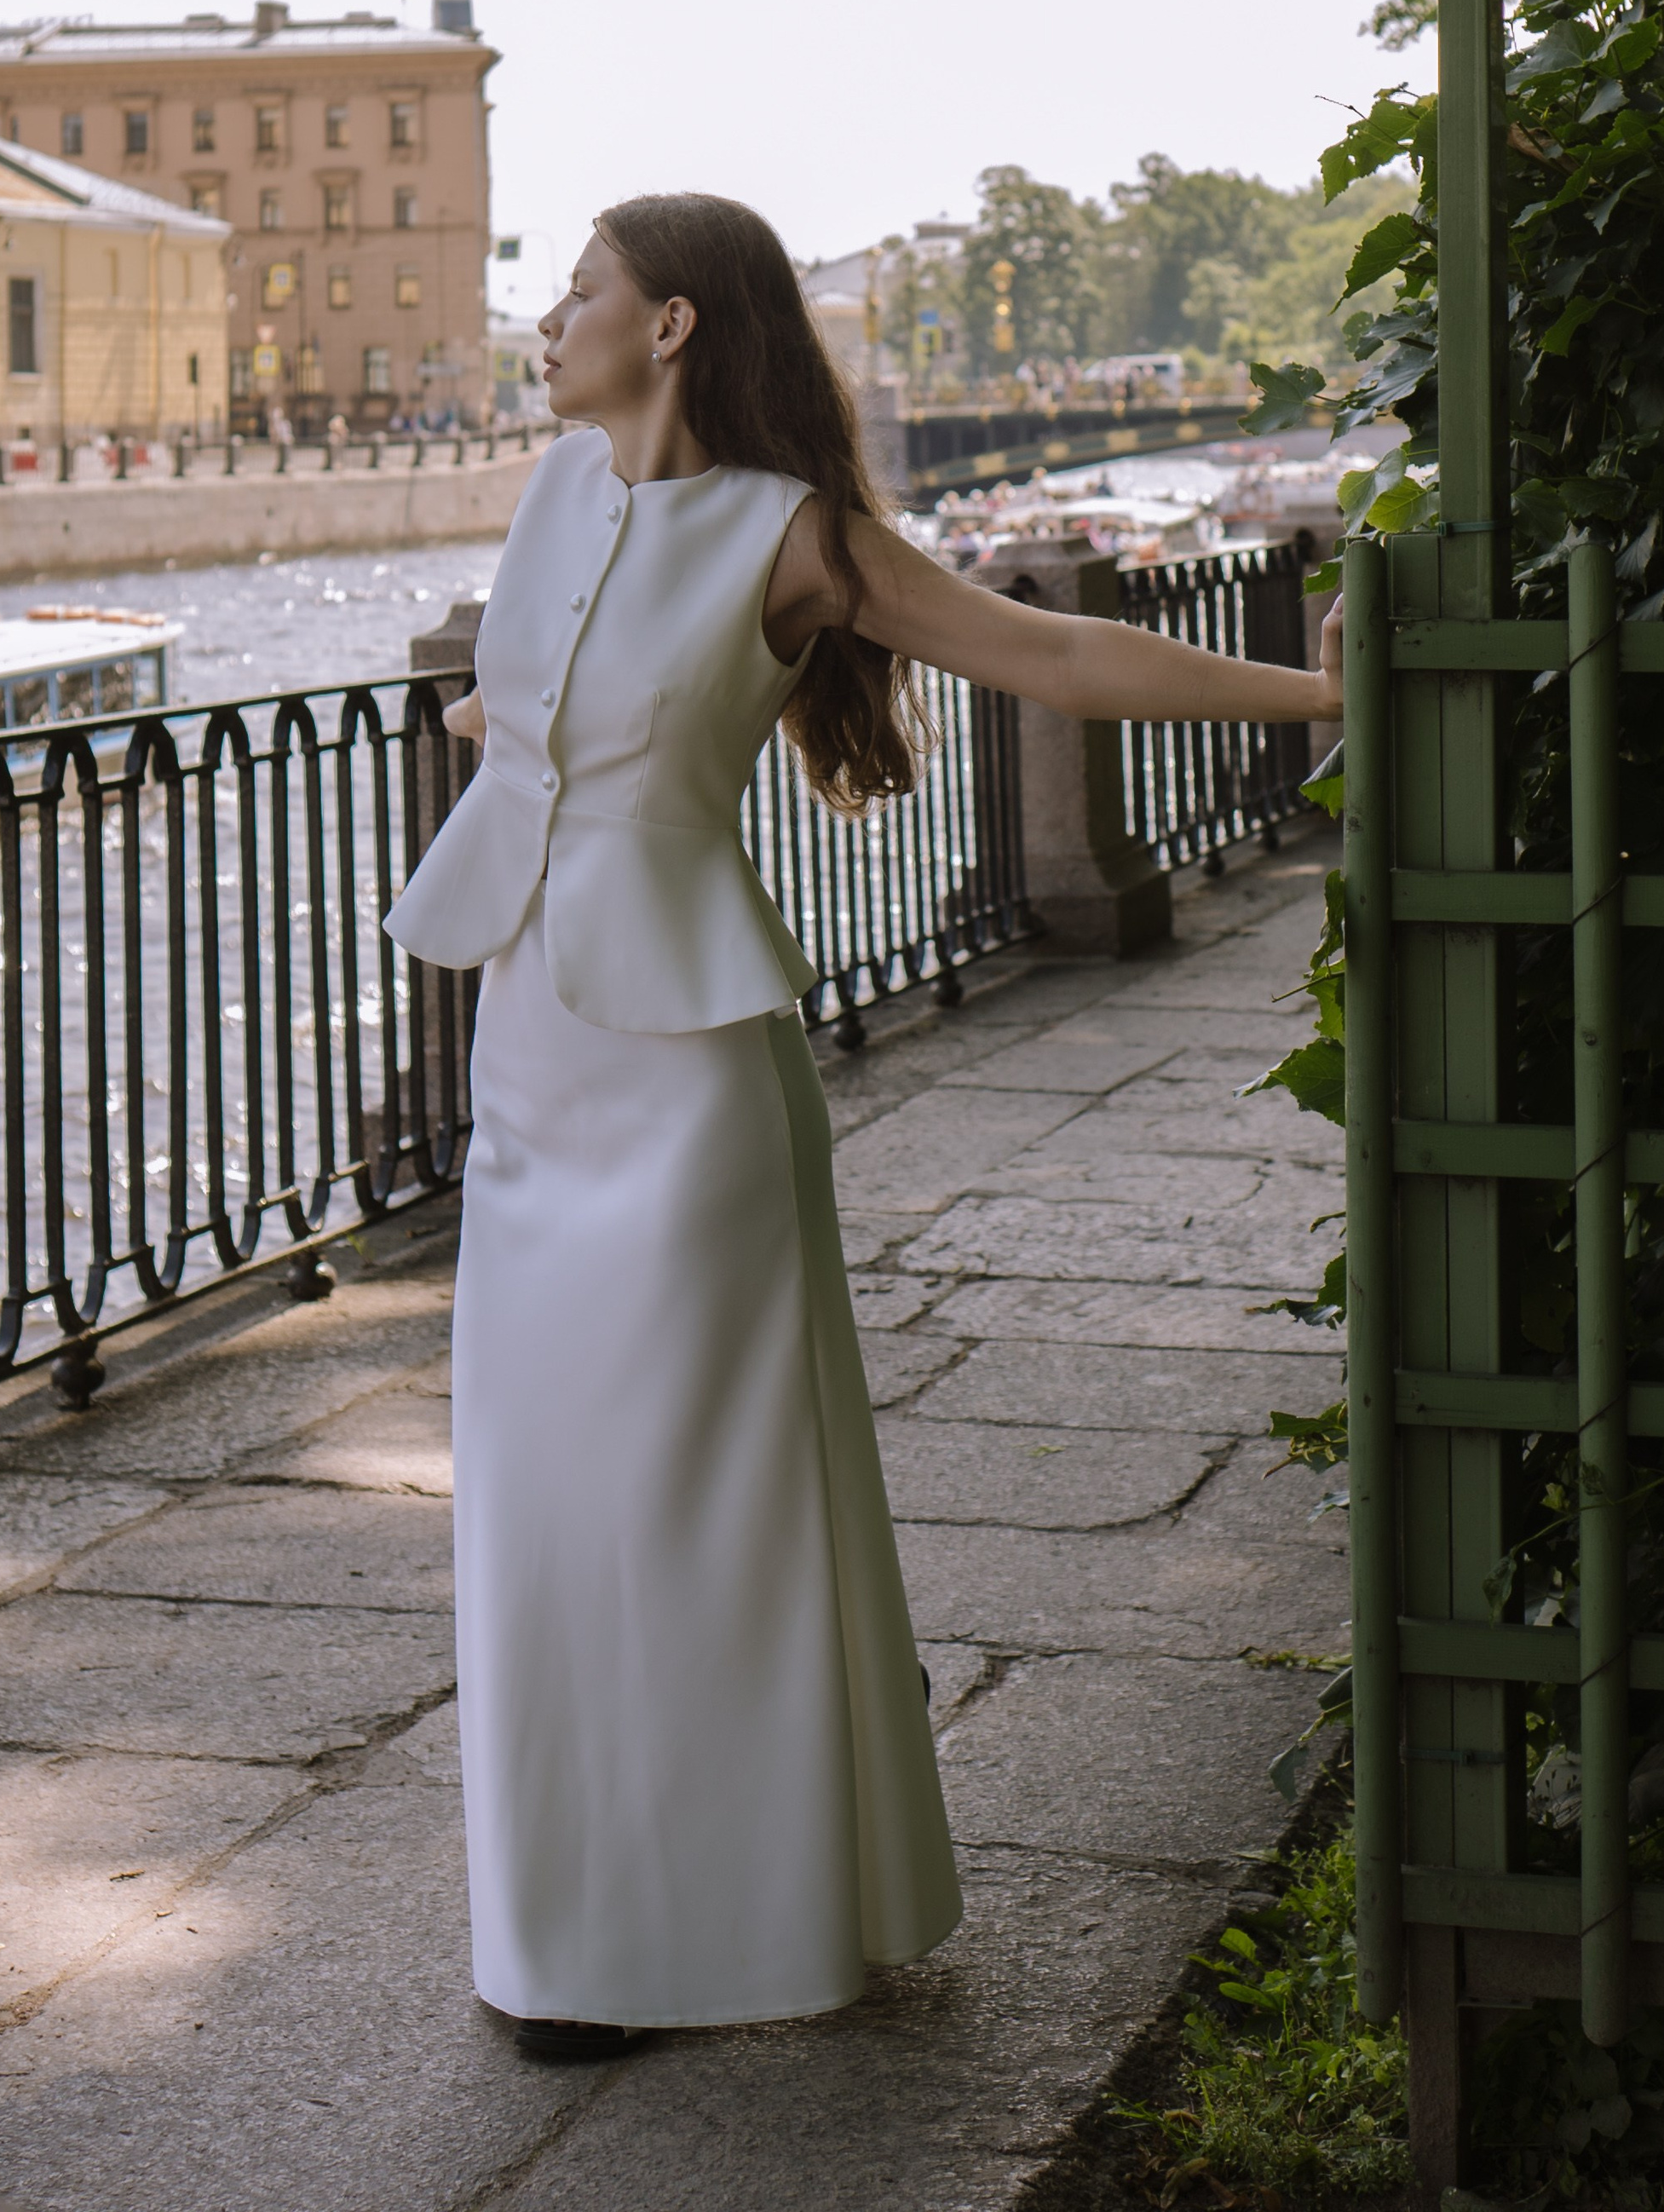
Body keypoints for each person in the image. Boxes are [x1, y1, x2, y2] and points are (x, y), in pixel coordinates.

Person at [384, 193, 1345, 2063]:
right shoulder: (546, 496)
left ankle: (710, 1940)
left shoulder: (792, 537)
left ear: (667, 325)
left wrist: (1315, 691)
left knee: (700, 1509)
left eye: (576, 290)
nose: (549, 318)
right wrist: (499, 735)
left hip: (683, 1105)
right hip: (529, 1072)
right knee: (539, 1511)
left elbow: (1050, 662)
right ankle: (571, 1931)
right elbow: (538, 720)